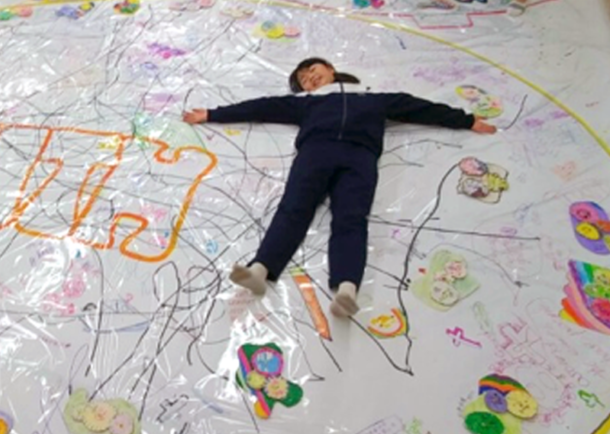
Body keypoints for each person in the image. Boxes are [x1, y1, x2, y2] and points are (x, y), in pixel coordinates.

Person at [183, 57, 496, 317]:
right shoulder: (307, 103)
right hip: (315, 153)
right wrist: (212, 114)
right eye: (303, 80)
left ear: (331, 69)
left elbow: (417, 107)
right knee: (293, 208)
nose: (309, 78)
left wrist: (466, 120)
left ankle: (347, 290)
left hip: (360, 158)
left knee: (351, 218)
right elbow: (261, 107)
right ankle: (260, 270)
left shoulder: (373, 97)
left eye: (312, 70)